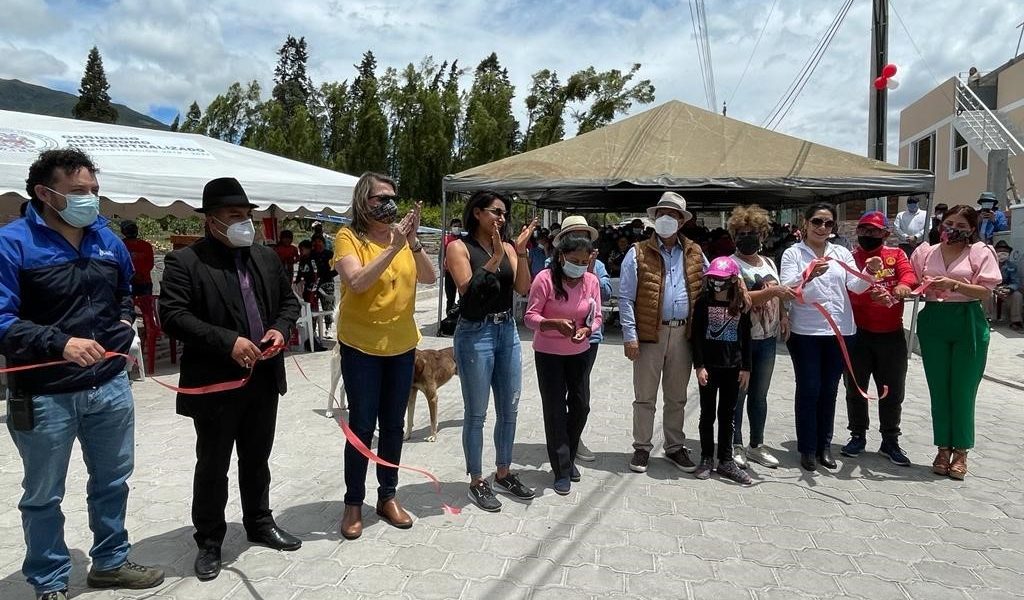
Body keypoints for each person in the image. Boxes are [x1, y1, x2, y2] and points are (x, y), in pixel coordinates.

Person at [0, 149, 165, 600]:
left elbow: (124, 293)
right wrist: (61, 343)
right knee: (43, 494)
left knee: (112, 480)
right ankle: (50, 580)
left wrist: (123, 327)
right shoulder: (12, 243)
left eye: (94, 190)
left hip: (108, 386)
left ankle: (110, 562)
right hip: (43, 394)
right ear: (44, 193)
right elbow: (1, 318)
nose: (90, 199)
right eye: (77, 192)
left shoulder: (106, 240)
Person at [159, 177, 302, 581]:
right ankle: (209, 540)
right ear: (212, 221)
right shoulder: (186, 263)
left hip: (263, 378)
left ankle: (259, 522)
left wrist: (279, 328)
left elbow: (288, 302)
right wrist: (228, 342)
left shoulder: (266, 257)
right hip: (217, 384)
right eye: (234, 217)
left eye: (248, 216)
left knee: (257, 459)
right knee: (213, 464)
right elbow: (172, 315)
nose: (245, 223)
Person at [333, 172, 436, 539]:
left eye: (393, 196)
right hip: (362, 347)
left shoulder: (402, 239)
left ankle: (387, 496)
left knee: (393, 425)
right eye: (380, 198)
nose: (388, 203)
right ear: (363, 201)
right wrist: (393, 248)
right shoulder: (348, 237)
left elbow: (430, 278)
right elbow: (357, 282)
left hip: (402, 346)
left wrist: (413, 243)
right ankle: (353, 503)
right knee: (362, 426)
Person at [446, 191, 538, 512]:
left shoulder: (510, 247)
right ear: (476, 213)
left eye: (504, 213)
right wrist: (496, 257)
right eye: (495, 212)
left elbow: (523, 289)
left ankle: (503, 472)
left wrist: (520, 253)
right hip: (475, 333)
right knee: (476, 414)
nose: (501, 218)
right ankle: (476, 480)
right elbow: (469, 296)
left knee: (509, 409)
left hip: (507, 331)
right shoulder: (458, 248)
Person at [780, 203, 876, 472]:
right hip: (807, 331)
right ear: (805, 223)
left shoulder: (841, 252)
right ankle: (807, 448)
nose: (822, 228)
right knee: (809, 388)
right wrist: (808, 274)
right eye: (817, 222)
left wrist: (870, 271)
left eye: (828, 223)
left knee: (830, 390)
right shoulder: (793, 253)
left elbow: (856, 286)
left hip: (840, 330)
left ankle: (824, 445)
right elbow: (787, 287)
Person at [619, 192, 708, 474]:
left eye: (673, 215)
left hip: (683, 334)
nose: (667, 219)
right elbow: (625, 298)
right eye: (662, 214)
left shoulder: (694, 252)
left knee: (677, 396)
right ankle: (642, 448)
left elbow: (714, 280)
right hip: (649, 335)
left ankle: (674, 447)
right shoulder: (637, 252)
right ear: (654, 218)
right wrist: (630, 335)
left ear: (682, 221)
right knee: (644, 396)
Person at [911, 205, 1001, 479]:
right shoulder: (926, 252)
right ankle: (942, 448)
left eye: (962, 225)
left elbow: (986, 292)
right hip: (934, 320)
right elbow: (912, 280)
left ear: (972, 229)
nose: (954, 228)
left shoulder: (980, 252)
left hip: (967, 320)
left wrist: (955, 285)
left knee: (962, 391)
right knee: (939, 389)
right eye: (949, 222)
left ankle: (961, 451)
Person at [525, 234, 603, 494]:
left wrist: (588, 330)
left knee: (581, 405)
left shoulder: (591, 281)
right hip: (548, 354)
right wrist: (552, 324)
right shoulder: (545, 279)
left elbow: (597, 316)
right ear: (561, 257)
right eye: (574, 260)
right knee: (555, 410)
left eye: (584, 261)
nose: (579, 266)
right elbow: (530, 317)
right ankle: (561, 468)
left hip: (579, 351)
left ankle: (568, 454)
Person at [840, 212, 917, 466]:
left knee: (892, 392)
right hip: (858, 335)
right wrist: (868, 298)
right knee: (855, 389)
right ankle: (858, 435)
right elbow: (848, 293)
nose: (867, 235)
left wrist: (903, 286)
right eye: (863, 230)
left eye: (874, 231)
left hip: (891, 336)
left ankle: (890, 440)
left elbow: (909, 276)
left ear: (885, 233)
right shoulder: (851, 258)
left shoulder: (897, 255)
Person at [728, 205, 793, 469]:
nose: (748, 237)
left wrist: (784, 315)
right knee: (738, 395)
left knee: (760, 395)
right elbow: (743, 300)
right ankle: (735, 444)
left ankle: (757, 444)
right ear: (734, 236)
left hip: (767, 339)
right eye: (742, 233)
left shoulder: (769, 262)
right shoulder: (730, 265)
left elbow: (780, 297)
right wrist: (776, 291)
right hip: (741, 339)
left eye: (753, 232)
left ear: (763, 234)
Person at [544, 216, 613, 463]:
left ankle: (574, 439)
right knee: (556, 396)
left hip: (588, 340)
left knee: (579, 396)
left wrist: (589, 269)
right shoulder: (549, 268)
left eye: (585, 235)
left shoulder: (597, 267)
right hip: (554, 345)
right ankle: (559, 443)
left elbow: (604, 293)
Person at [691, 256, 753, 484]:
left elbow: (746, 338)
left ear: (733, 280)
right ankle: (706, 458)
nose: (717, 283)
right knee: (707, 415)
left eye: (721, 279)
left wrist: (746, 367)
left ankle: (726, 460)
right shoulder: (703, 302)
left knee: (727, 415)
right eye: (713, 279)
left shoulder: (741, 304)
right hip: (709, 368)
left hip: (733, 368)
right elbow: (696, 336)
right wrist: (699, 366)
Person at [992, 240, 1023, 331]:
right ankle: (986, 318)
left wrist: (1009, 289)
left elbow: (1016, 282)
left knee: (1017, 295)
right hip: (992, 288)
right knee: (987, 294)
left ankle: (1016, 321)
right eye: (999, 251)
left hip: (1005, 289)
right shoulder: (989, 264)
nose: (1002, 254)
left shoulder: (1012, 266)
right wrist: (994, 289)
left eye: (1005, 252)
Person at [120, 220, 155, 296]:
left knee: (145, 305)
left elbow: (150, 264)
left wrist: (140, 275)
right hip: (127, 282)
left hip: (144, 282)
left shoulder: (146, 245)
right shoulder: (120, 245)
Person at [311, 236, 337, 334]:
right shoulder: (311, 254)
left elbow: (337, 268)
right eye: (315, 242)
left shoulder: (329, 254)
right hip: (313, 284)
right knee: (312, 307)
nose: (317, 244)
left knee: (328, 307)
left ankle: (328, 328)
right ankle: (313, 329)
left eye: (319, 241)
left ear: (323, 243)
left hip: (327, 283)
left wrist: (328, 275)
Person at [443, 218, 463, 314]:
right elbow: (441, 255)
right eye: (455, 226)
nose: (457, 228)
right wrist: (442, 268)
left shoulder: (464, 240)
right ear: (451, 227)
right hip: (449, 272)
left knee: (463, 296)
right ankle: (449, 317)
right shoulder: (446, 239)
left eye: (459, 226)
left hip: (461, 272)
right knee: (450, 297)